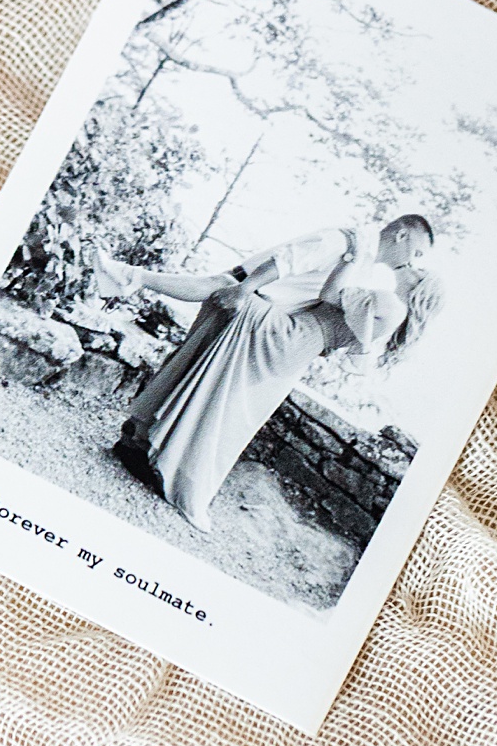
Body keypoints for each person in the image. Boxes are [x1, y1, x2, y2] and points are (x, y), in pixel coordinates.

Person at [93, 215, 440, 532]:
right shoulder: (350, 249)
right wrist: (245, 289)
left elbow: (332, 301)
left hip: (283, 330)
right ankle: (148, 447)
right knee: (216, 391)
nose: (412, 261)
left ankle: (127, 278)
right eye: (417, 252)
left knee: (220, 397)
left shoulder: (376, 285)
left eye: (420, 262)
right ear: (402, 234)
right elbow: (290, 263)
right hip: (272, 311)